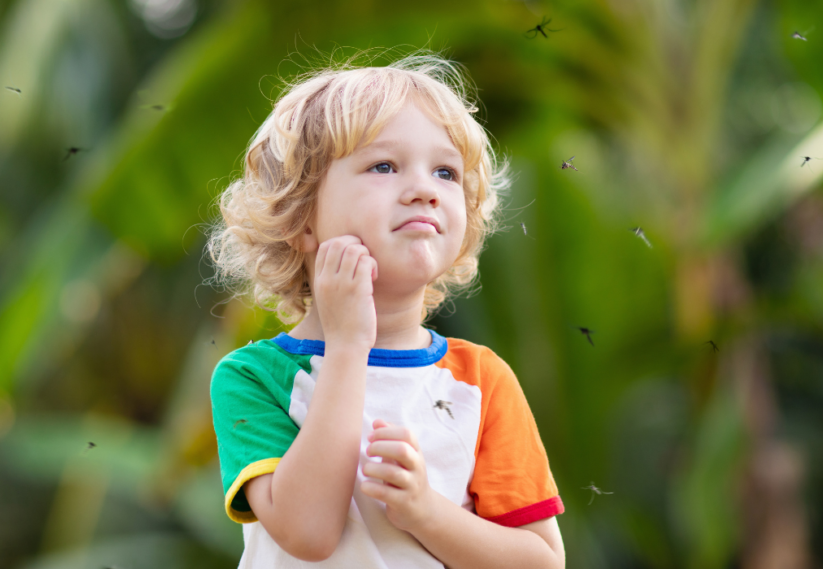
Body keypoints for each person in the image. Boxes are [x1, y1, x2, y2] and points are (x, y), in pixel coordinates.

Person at [207, 53, 565, 568]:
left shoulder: (481, 383)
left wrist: (425, 513)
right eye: (384, 166)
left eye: (445, 171)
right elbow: (308, 533)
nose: (424, 189)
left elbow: (543, 561)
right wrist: (349, 345)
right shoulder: (252, 378)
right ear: (301, 218)